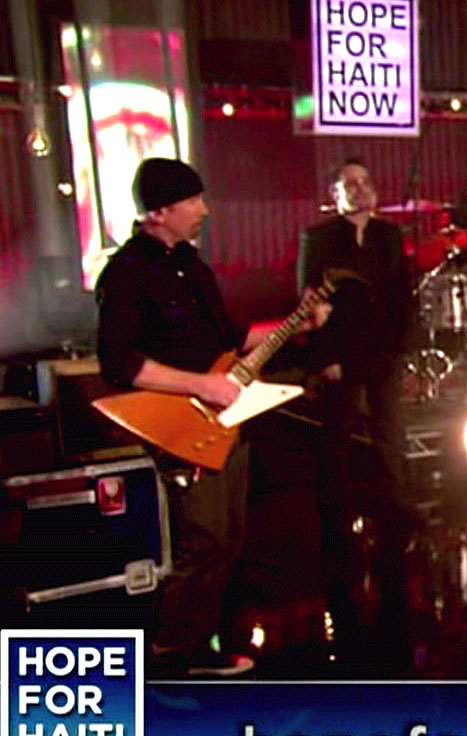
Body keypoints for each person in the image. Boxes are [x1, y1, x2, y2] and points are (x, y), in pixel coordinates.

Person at [95, 157, 328, 676]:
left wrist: (298, 324)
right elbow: (120, 363)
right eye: (193, 201)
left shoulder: (194, 268)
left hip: (225, 422)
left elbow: (233, 338)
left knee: (231, 538)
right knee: (205, 541)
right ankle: (168, 655)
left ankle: (200, 646)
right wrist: (202, 385)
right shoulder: (127, 273)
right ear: (158, 212)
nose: (205, 209)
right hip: (181, 426)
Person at [296, 157, 418, 673]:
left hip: (383, 351)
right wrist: (324, 357)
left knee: (392, 434)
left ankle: (398, 516)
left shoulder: (389, 236)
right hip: (342, 353)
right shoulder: (319, 238)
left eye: (366, 181)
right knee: (338, 440)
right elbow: (309, 302)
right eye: (350, 183)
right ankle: (335, 527)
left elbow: (403, 296)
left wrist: (402, 350)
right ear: (335, 193)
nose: (361, 189)